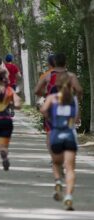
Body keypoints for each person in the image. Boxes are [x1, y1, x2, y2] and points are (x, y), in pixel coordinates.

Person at [40, 71, 79, 211]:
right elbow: (76, 119)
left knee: (56, 164)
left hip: (55, 135)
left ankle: (57, 181)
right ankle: (68, 196)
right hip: (69, 135)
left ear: (57, 84)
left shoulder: (52, 98)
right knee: (70, 169)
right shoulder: (73, 100)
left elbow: (43, 110)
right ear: (70, 85)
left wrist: (51, 118)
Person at [35, 53, 82, 164]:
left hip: (52, 109)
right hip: (68, 108)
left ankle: (54, 157)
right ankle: (66, 156)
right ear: (66, 62)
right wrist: (76, 98)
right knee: (68, 130)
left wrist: (46, 93)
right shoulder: (70, 76)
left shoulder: (48, 76)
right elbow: (79, 90)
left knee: (50, 132)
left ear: (54, 63)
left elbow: (36, 91)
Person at [0, 66, 21, 184]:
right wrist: (10, 103)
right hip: (6, 120)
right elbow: (18, 104)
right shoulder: (9, 90)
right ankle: (4, 154)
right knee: (3, 147)